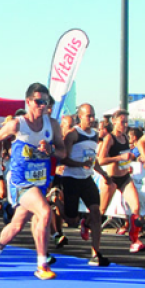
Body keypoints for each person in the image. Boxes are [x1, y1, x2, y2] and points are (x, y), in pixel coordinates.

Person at [0, 84, 66, 280]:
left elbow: (63, 152)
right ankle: (42, 264)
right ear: (28, 102)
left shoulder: (52, 125)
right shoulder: (17, 125)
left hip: (40, 181)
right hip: (20, 181)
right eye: (38, 101)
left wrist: (51, 150)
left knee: (17, 225)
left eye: (45, 102)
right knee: (45, 211)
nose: (42, 105)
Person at [58, 103, 111, 266]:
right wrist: (81, 164)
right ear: (80, 117)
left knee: (96, 212)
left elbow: (92, 160)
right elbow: (63, 159)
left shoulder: (95, 135)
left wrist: (103, 173)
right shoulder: (72, 134)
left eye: (93, 115)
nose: (92, 119)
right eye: (89, 116)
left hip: (86, 180)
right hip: (71, 179)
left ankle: (95, 253)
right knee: (71, 220)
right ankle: (55, 203)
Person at [98, 109, 145, 253]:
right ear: (114, 122)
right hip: (111, 179)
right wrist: (121, 158)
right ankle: (86, 224)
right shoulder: (109, 138)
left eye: (126, 122)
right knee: (101, 211)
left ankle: (135, 240)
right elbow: (101, 160)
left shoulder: (125, 137)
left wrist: (129, 162)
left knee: (136, 207)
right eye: (122, 122)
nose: (125, 125)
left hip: (125, 177)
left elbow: (125, 157)